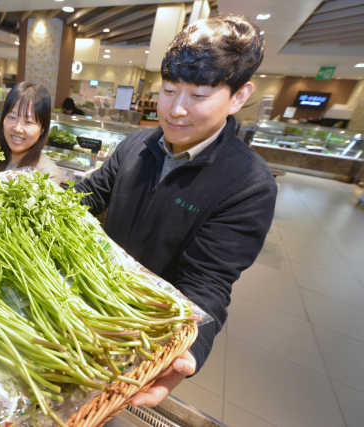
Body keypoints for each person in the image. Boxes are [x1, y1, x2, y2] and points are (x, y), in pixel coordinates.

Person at [74, 15, 277, 406]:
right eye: (168, 90)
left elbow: (209, 282)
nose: (176, 109)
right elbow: (89, 193)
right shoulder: (136, 145)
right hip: (83, 300)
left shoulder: (249, 185)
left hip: (140, 330)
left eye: (198, 96)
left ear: (238, 96)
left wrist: (188, 351)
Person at [0, 82, 62, 185]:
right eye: (12, 117)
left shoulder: (47, 174)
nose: (17, 129)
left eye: (28, 122)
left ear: (42, 129)